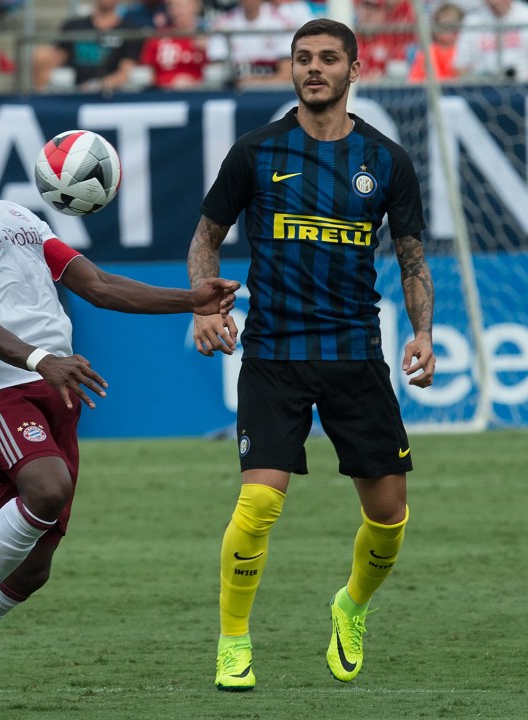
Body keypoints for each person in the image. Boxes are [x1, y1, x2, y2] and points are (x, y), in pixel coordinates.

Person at [0, 92, 240, 710]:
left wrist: (191, 298)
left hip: (56, 386)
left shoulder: (17, 214)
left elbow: (98, 284)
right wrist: (41, 359)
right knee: (46, 487)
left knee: (33, 567)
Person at [186, 18, 436, 691]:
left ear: (354, 69)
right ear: (291, 69)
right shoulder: (256, 152)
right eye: (303, 59)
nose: (314, 68)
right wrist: (208, 306)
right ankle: (233, 642)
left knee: (389, 517)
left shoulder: (386, 161)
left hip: (357, 354)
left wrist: (423, 333)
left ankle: (350, 607)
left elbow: (413, 260)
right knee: (260, 503)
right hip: (273, 353)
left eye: (328, 58)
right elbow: (205, 239)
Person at [31, 0, 143, 92]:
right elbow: (56, 56)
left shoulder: (129, 30)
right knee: (41, 54)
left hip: (110, 93)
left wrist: (98, 85)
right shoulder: (74, 26)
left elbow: (125, 71)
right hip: (73, 89)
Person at [453, 0, 528, 80]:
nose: (493, 2)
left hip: (525, 87)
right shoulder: (471, 21)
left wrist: (524, 85)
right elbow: (461, 66)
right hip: (483, 89)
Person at [206, 0, 294, 87]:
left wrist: (258, 84)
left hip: (272, 92)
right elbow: (217, 71)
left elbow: (287, 72)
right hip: (233, 91)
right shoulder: (222, 24)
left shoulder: (281, 23)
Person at [139, 0, 209, 89]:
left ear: (196, 7)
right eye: (175, 7)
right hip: (162, 93)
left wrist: (208, 48)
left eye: (183, 6)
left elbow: (217, 70)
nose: (179, 11)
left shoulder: (208, 37)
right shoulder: (158, 37)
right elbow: (147, 70)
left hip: (200, 92)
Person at [408, 1, 463, 81]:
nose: (447, 29)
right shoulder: (428, 52)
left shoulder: (463, 51)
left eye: (451, 25)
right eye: (442, 25)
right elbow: (415, 80)